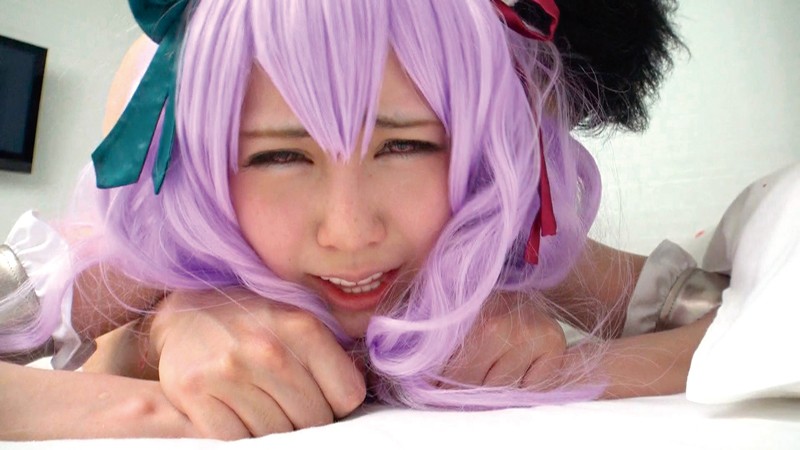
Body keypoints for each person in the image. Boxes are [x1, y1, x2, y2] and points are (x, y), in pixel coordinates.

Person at [1, 0, 717, 440]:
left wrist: (546, 372)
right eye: (279, 155)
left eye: (405, 146)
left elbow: (727, 318)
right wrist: (160, 360)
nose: (349, 232)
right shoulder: (146, 251)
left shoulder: (497, 238)